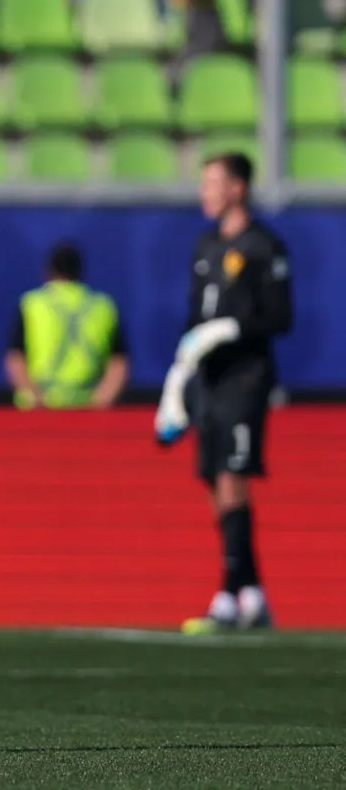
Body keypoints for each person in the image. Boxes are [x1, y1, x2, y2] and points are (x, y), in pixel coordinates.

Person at [154, 152, 292, 634]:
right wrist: (177, 382)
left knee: (234, 477)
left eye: (212, 183)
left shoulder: (263, 246)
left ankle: (227, 595)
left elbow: (279, 318)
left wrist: (229, 329)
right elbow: (195, 321)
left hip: (245, 377)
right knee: (213, 479)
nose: (204, 192)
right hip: (209, 380)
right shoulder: (205, 245)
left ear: (237, 188)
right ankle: (251, 590)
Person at [4, 243, 129, 410]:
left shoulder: (32, 303)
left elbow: (15, 357)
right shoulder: (103, 306)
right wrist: (100, 401)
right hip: (88, 406)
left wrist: (34, 397)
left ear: (48, 272)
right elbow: (118, 363)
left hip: (38, 408)